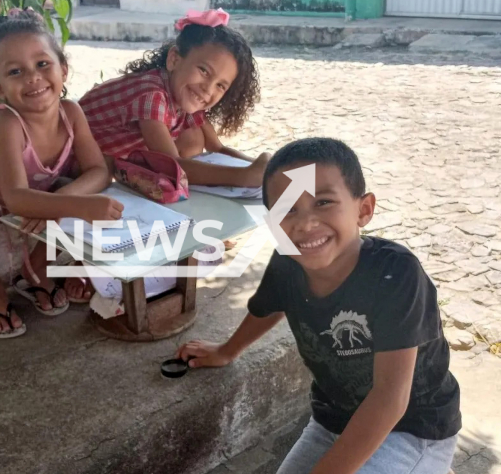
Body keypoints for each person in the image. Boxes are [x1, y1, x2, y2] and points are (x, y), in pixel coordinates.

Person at [176, 138, 461, 473]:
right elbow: (268, 307)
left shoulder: (396, 274)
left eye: (323, 202)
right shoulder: (287, 262)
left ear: (364, 209)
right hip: (333, 418)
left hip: (415, 427)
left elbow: (389, 399)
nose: (305, 223)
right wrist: (227, 350)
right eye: (287, 209)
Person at [0, 10, 123, 339]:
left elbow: (99, 171)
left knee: (75, 187)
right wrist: (74, 206)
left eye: (42, 64)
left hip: (37, 195)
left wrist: (62, 199)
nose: (33, 77)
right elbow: (15, 198)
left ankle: (36, 270)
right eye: (15, 71)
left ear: (63, 69)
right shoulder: (6, 123)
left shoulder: (72, 113)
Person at [78, 8, 270, 189]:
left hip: (101, 161)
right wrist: (244, 176)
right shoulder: (151, 95)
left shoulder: (183, 95)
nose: (208, 89)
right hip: (70, 159)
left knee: (193, 136)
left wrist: (268, 170)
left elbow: (217, 148)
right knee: (180, 153)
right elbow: (173, 168)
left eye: (220, 85)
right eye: (203, 71)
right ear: (174, 60)